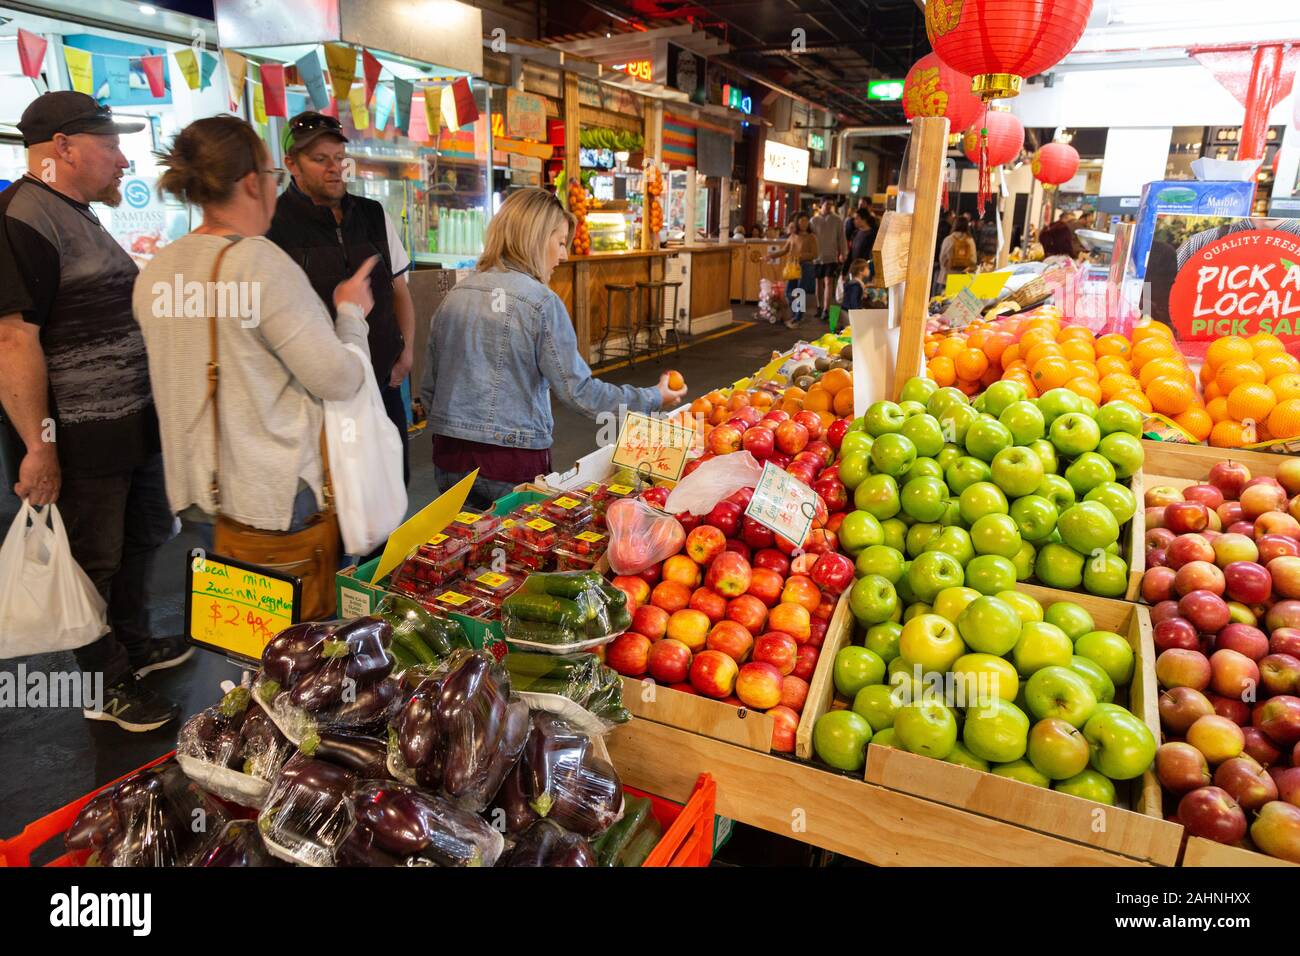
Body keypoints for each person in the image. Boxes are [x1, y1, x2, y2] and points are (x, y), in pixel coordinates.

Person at [0, 92, 183, 732]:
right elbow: (11, 339)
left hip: (127, 427)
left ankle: (132, 645)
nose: (123, 158)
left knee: (139, 538)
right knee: (90, 561)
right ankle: (105, 684)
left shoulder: (74, 211)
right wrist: (37, 445)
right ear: (64, 148)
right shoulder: (21, 217)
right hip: (77, 437)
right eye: (109, 145)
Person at [133, 119, 378, 574]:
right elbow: (337, 379)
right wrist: (350, 315)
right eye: (273, 176)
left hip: (195, 493)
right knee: (295, 637)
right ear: (252, 183)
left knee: (227, 621)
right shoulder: (260, 264)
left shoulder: (157, 271)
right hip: (273, 498)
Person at [420, 188, 686, 511]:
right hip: (511, 464)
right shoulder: (541, 304)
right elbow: (579, 393)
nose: (563, 256)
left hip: (448, 461)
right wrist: (653, 397)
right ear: (535, 238)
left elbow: (429, 391)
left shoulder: (455, 296)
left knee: (463, 553)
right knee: (520, 554)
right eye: (560, 242)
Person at [267, 111, 415, 487]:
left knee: (392, 488)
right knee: (339, 501)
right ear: (291, 164)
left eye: (338, 158)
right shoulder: (273, 225)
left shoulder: (372, 214)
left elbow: (400, 289)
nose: (334, 169)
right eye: (320, 160)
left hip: (383, 384)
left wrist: (406, 353)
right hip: (319, 398)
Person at [768, 213, 818, 329]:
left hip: (805, 267)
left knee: (799, 292)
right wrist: (771, 256)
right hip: (792, 267)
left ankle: (798, 317)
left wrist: (799, 256)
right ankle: (796, 314)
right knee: (789, 292)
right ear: (797, 222)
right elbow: (784, 250)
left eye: (806, 221)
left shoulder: (811, 237)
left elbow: (815, 254)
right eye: (801, 221)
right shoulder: (792, 236)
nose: (804, 223)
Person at [810, 198, 847, 321]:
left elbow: (842, 237)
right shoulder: (813, 220)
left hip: (831, 256)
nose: (829, 206)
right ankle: (819, 306)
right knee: (818, 283)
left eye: (831, 204)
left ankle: (826, 309)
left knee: (828, 282)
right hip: (817, 256)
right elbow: (809, 238)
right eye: (827, 204)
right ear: (821, 205)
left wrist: (843, 252)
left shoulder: (837, 220)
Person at [937, 215, 977, 287]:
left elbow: (942, 258)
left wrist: (945, 269)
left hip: (948, 277)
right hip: (963, 278)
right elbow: (973, 260)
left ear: (954, 225)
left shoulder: (948, 239)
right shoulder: (970, 241)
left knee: (945, 297)